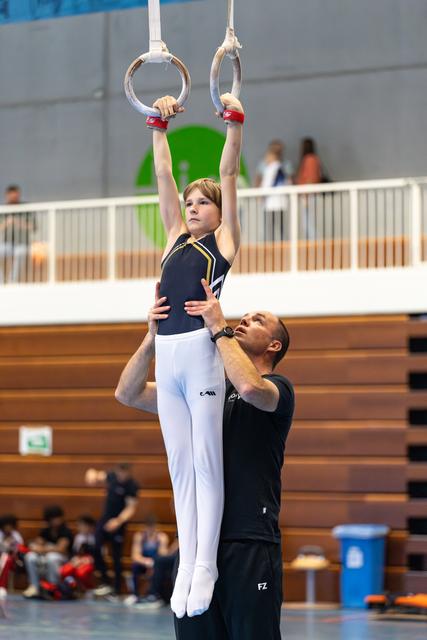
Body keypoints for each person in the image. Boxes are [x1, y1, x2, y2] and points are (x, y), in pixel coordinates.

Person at [116, 280, 294, 639]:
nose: (245, 320)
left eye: (257, 320)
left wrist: (218, 328)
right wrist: (153, 337)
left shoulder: (278, 389)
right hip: (198, 549)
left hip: (248, 543)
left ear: (274, 345)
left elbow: (248, 388)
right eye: (243, 317)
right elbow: (128, 392)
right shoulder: (207, 392)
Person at [140, 91, 244, 618]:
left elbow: (228, 173)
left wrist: (233, 121)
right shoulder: (174, 240)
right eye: (190, 203)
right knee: (179, 466)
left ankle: (206, 563)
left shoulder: (223, 244)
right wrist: (157, 124)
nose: (192, 206)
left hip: (202, 355)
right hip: (168, 356)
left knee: (206, 461)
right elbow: (163, 178)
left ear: (219, 212)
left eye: (202, 202)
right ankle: (185, 564)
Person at [85, 463, 139, 597]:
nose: (122, 475)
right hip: (105, 519)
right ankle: (104, 580)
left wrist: (118, 521)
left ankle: (116, 588)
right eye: (120, 472)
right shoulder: (111, 476)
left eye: (124, 473)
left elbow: (131, 508)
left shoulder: (132, 486)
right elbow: (95, 473)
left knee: (116, 556)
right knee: (95, 546)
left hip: (118, 523)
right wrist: (91, 474)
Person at [23, 505, 73, 599]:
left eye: (57, 518)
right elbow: (38, 543)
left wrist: (43, 549)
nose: (56, 521)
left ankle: (53, 587)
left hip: (63, 558)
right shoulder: (46, 530)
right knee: (30, 556)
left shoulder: (65, 531)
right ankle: (34, 586)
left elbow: (61, 549)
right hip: (46, 555)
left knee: (52, 558)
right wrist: (34, 546)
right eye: (53, 519)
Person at [125, 514, 169, 606]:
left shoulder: (161, 537)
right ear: (145, 527)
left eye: (152, 526)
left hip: (155, 563)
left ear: (156, 526)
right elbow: (135, 555)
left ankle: (154, 595)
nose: (150, 529)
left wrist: (153, 563)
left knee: (159, 567)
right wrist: (146, 562)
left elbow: (163, 554)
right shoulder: (139, 536)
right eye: (148, 526)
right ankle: (135, 594)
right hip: (143, 563)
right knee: (135, 566)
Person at [254, 140, 294, 242]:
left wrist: (260, 195)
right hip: (280, 202)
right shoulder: (281, 166)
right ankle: (282, 245)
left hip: (272, 203)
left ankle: (272, 248)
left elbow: (266, 184)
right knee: (280, 226)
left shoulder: (272, 167)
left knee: (270, 228)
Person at [0, 185, 36, 283]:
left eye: (15, 195)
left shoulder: (25, 208)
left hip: (22, 244)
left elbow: (33, 227)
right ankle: (1, 282)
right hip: (7, 244)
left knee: (20, 253)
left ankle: (12, 281)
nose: (13, 197)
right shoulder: (3, 209)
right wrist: (7, 222)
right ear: (7, 195)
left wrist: (18, 222)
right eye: (11, 195)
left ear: (18, 194)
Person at [59, 514, 96, 592]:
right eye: (79, 525)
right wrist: (74, 559)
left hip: (89, 561)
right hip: (78, 560)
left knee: (81, 573)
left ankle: (88, 589)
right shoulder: (78, 537)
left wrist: (87, 560)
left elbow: (98, 554)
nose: (79, 528)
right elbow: (74, 552)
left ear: (90, 527)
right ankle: (70, 588)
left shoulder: (95, 538)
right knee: (64, 570)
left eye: (82, 526)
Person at [0, 515, 25, 616]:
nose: (8, 528)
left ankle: (2, 585)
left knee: (7, 559)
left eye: (10, 526)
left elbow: (20, 549)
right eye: (6, 526)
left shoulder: (16, 535)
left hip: (14, 561)